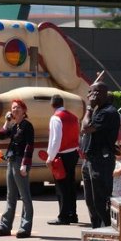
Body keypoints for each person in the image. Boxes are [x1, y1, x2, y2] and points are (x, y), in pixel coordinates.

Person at [80, 82, 121, 228]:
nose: (88, 96)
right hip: (90, 159)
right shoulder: (99, 110)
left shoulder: (107, 112)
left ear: (99, 93)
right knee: (90, 200)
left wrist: (89, 107)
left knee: (100, 199)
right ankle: (96, 228)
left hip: (101, 160)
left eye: (91, 92)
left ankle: (106, 228)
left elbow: (85, 127)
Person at [0, 99, 35, 238]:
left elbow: (29, 146)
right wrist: (7, 121)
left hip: (20, 162)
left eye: (17, 108)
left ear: (24, 111)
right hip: (11, 161)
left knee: (25, 196)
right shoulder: (15, 126)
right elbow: (1, 135)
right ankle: (5, 226)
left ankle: (25, 226)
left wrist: (25, 163)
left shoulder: (27, 126)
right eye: (13, 108)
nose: (14, 110)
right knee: (10, 196)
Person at [45, 94, 80, 225]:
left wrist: (50, 158)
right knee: (70, 184)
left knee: (61, 186)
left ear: (52, 105)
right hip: (72, 153)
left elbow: (55, 140)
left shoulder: (56, 118)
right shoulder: (74, 117)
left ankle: (63, 215)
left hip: (61, 155)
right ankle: (72, 214)